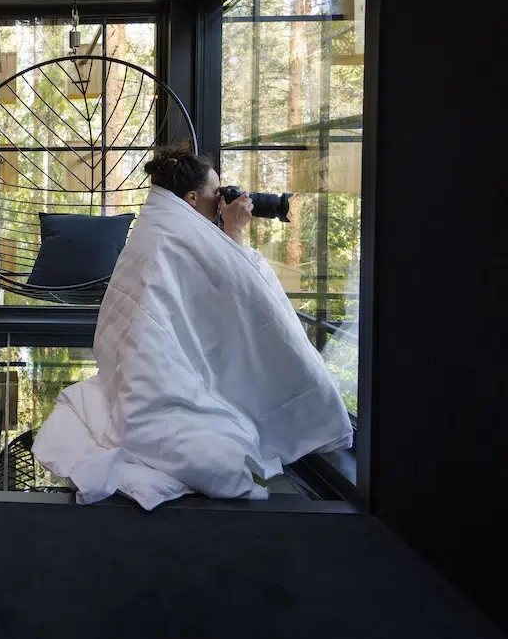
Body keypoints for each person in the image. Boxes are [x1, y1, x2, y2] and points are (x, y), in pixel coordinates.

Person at [32, 145, 353, 506]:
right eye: (216, 193)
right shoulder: (177, 233)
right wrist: (234, 232)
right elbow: (249, 296)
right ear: (191, 198)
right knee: (213, 454)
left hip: (141, 363)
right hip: (155, 372)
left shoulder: (160, 227)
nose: (221, 201)